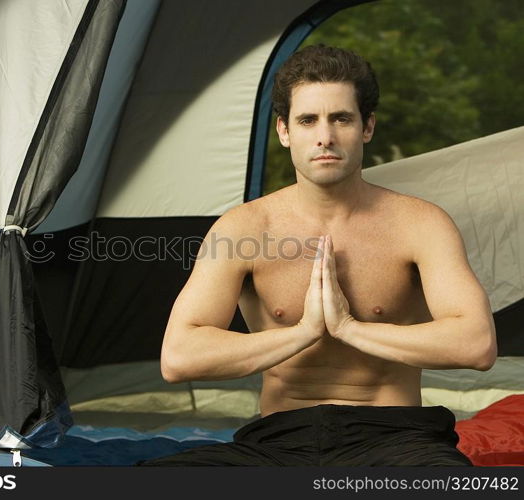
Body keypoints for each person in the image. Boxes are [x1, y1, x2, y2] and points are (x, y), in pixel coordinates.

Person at [140, 45, 496, 466]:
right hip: (278, 440)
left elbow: (476, 345)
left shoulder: (421, 224)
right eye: (308, 120)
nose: (324, 137)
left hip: (395, 440)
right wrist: (302, 332)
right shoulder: (244, 229)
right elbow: (179, 356)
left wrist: (348, 328)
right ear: (284, 131)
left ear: (367, 127)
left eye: (341, 118)